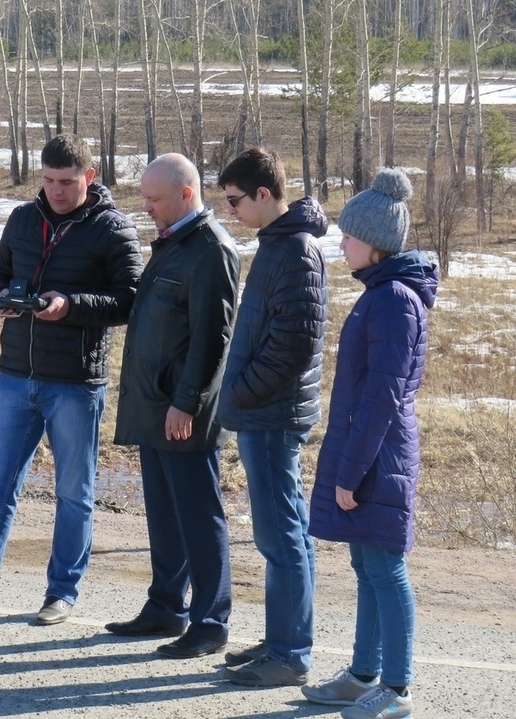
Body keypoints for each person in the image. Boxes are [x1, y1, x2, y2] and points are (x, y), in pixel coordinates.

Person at [0, 133, 144, 626]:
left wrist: (71, 306)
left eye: (66, 183)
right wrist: (1, 298)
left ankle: (62, 593)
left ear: (90, 177)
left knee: (74, 492)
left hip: (76, 382)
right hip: (16, 375)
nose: (56, 192)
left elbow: (130, 300)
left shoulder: (113, 228)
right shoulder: (23, 218)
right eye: (48, 181)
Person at [301, 168, 438, 719]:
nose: (341, 242)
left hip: (380, 458)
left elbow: (381, 397)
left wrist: (351, 473)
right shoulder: (382, 294)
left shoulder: (393, 301)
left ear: (376, 242)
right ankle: (363, 675)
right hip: (371, 453)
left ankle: (397, 689)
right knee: (367, 566)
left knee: (385, 569)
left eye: (349, 235)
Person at [106, 152, 240, 659]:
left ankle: (209, 620)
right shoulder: (172, 243)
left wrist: (186, 402)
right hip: (155, 404)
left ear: (186, 195)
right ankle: (166, 606)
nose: (146, 208)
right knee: (164, 515)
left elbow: (212, 338)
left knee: (199, 517)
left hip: (185, 410)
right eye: (144, 198)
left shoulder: (211, 250)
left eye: (155, 199)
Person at [215, 148, 329, 687]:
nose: (231, 210)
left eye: (236, 200)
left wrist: (240, 390)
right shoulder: (278, 245)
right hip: (266, 412)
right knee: (287, 535)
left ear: (264, 194)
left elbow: (293, 347)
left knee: (281, 537)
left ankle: (289, 655)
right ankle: (282, 636)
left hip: (273, 415)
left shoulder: (296, 252)